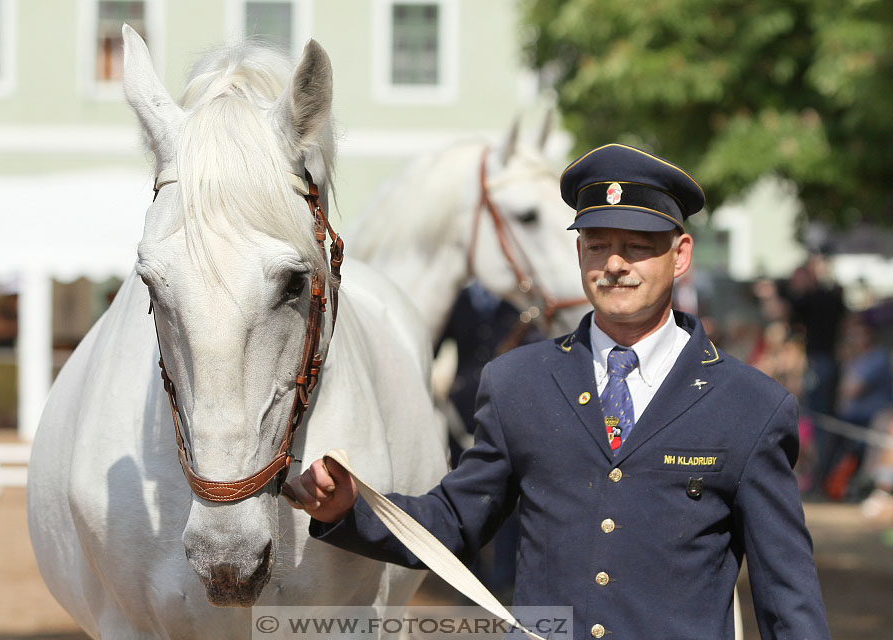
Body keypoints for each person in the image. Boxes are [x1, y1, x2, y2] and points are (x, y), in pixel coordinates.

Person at [286, 144, 830, 639]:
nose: (614, 265)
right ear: (579, 254)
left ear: (681, 254)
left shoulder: (752, 406)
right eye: (597, 245)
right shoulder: (517, 383)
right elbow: (455, 521)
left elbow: (787, 599)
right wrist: (349, 510)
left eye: (638, 247)